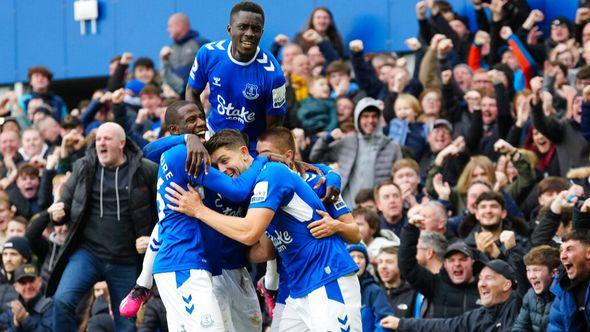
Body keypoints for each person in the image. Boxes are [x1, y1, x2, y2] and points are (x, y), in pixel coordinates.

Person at [165, 130, 362, 331]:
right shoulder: (253, 189)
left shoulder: (272, 174)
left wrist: (199, 211)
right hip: (298, 286)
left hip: (327, 276)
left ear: (243, 152)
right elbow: (266, 250)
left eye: (224, 160)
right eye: (215, 166)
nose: (221, 170)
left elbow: (249, 232)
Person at [47, 122, 158, 332]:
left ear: (122, 143)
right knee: (62, 300)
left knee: (126, 323)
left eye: (107, 138)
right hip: (88, 253)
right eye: (98, 139)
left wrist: (152, 238)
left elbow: (165, 212)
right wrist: (57, 214)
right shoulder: (84, 166)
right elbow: (64, 205)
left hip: (125, 258)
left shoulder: (146, 170)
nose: (101, 143)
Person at [186, 1, 287, 154]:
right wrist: (198, 135)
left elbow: (274, 127)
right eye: (243, 27)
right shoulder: (208, 53)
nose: (249, 33)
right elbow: (192, 92)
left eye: (256, 29)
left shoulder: (274, 74)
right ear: (229, 29)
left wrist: (261, 156)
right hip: (213, 137)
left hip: (249, 149)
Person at [381, 259, 526, 331]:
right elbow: (443, 326)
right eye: (480, 278)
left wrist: (511, 249)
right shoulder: (477, 316)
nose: (481, 284)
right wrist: (401, 323)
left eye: (488, 278)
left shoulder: (520, 307)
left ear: (507, 284)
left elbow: (525, 282)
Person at [310, 97, 402, 207]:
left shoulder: (392, 147)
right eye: (365, 116)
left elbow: (399, 178)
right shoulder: (347, 141)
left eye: (374, 116)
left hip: (379, 208)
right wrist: (327, 138)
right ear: (357, 119)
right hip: (347, 207)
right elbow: (315, 158)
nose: (370, 121)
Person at [399, 210, 480, 319]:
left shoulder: (484, 287)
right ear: (445, 264)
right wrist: (411, 230)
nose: (457, 264)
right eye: (451, 260)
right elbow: (407, 265)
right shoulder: (436, 285)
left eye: (462, 259)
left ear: (472, 262)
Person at [347, 243, 394, 332]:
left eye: (361, 257)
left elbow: (385, 323)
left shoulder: (374, 291)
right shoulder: (337, 290)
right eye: (352, 256)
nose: (357, 261)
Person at [513, 245, 560, 332]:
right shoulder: (530, 295)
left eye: (536, 270)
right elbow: (519, 327)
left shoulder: (563, 296)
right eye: (528, 270)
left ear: (554, 272)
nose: (531, 276)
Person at [162, 13, 210, 95]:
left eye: (170, 26)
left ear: (180, 25)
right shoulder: (170, 49)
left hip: (199, 94)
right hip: (178, 95)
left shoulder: (201, 43)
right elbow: (166, 73)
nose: (168, 30)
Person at [0, 264, 52, 331]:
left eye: (31, 280)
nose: (28, 286)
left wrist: (24, 319)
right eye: (23, 282)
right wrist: (16, 323)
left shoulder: (50, 306)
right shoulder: (15, 308)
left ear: (40, 281)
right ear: (16, 287)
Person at [375, 246, 416, 318]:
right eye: (380, 262)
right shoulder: (374, 293)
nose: (383, 266)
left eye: (389, 262)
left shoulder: (413, 294)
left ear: (401, 265)